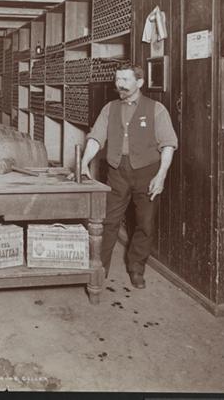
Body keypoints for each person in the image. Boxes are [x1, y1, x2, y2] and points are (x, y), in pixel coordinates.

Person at [80, 64, 178, 289]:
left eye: (125, 80)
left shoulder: (156, 109)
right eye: (118, 80)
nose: (119, 84)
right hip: (117, 171)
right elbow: (96, 138)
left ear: (140, 82)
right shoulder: (110, 108)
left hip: (147, 172)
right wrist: (84, 162)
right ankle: (99, 269)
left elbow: (168, 144)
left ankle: (136, 268)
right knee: (107, 221)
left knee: (145, 223)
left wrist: (161, 176)